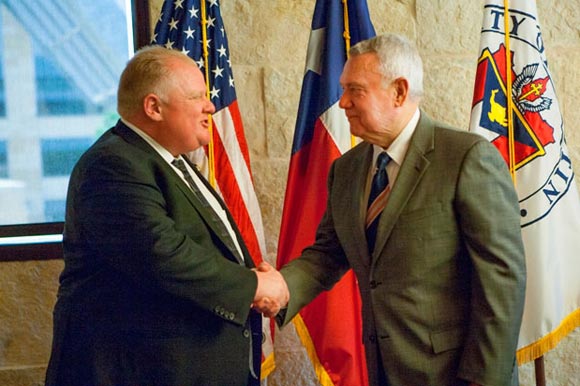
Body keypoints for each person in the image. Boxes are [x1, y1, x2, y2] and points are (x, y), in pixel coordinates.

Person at [261, 33, 526, 386]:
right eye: (342, 90)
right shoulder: (347, 169)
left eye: (354, 90)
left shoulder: (465, 158)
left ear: (399, 92)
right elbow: (329, 253)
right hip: (382, 370)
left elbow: (502, 280)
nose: (342, 103)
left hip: (458, 375)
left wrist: (481, 380)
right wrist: (282, 285)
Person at [45, 45, 288, 386]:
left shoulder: (167, 160)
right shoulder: (113, 165)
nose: (210, 106)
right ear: (154, 107)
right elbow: (162, 253)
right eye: (196, 97)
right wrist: (254, 285)